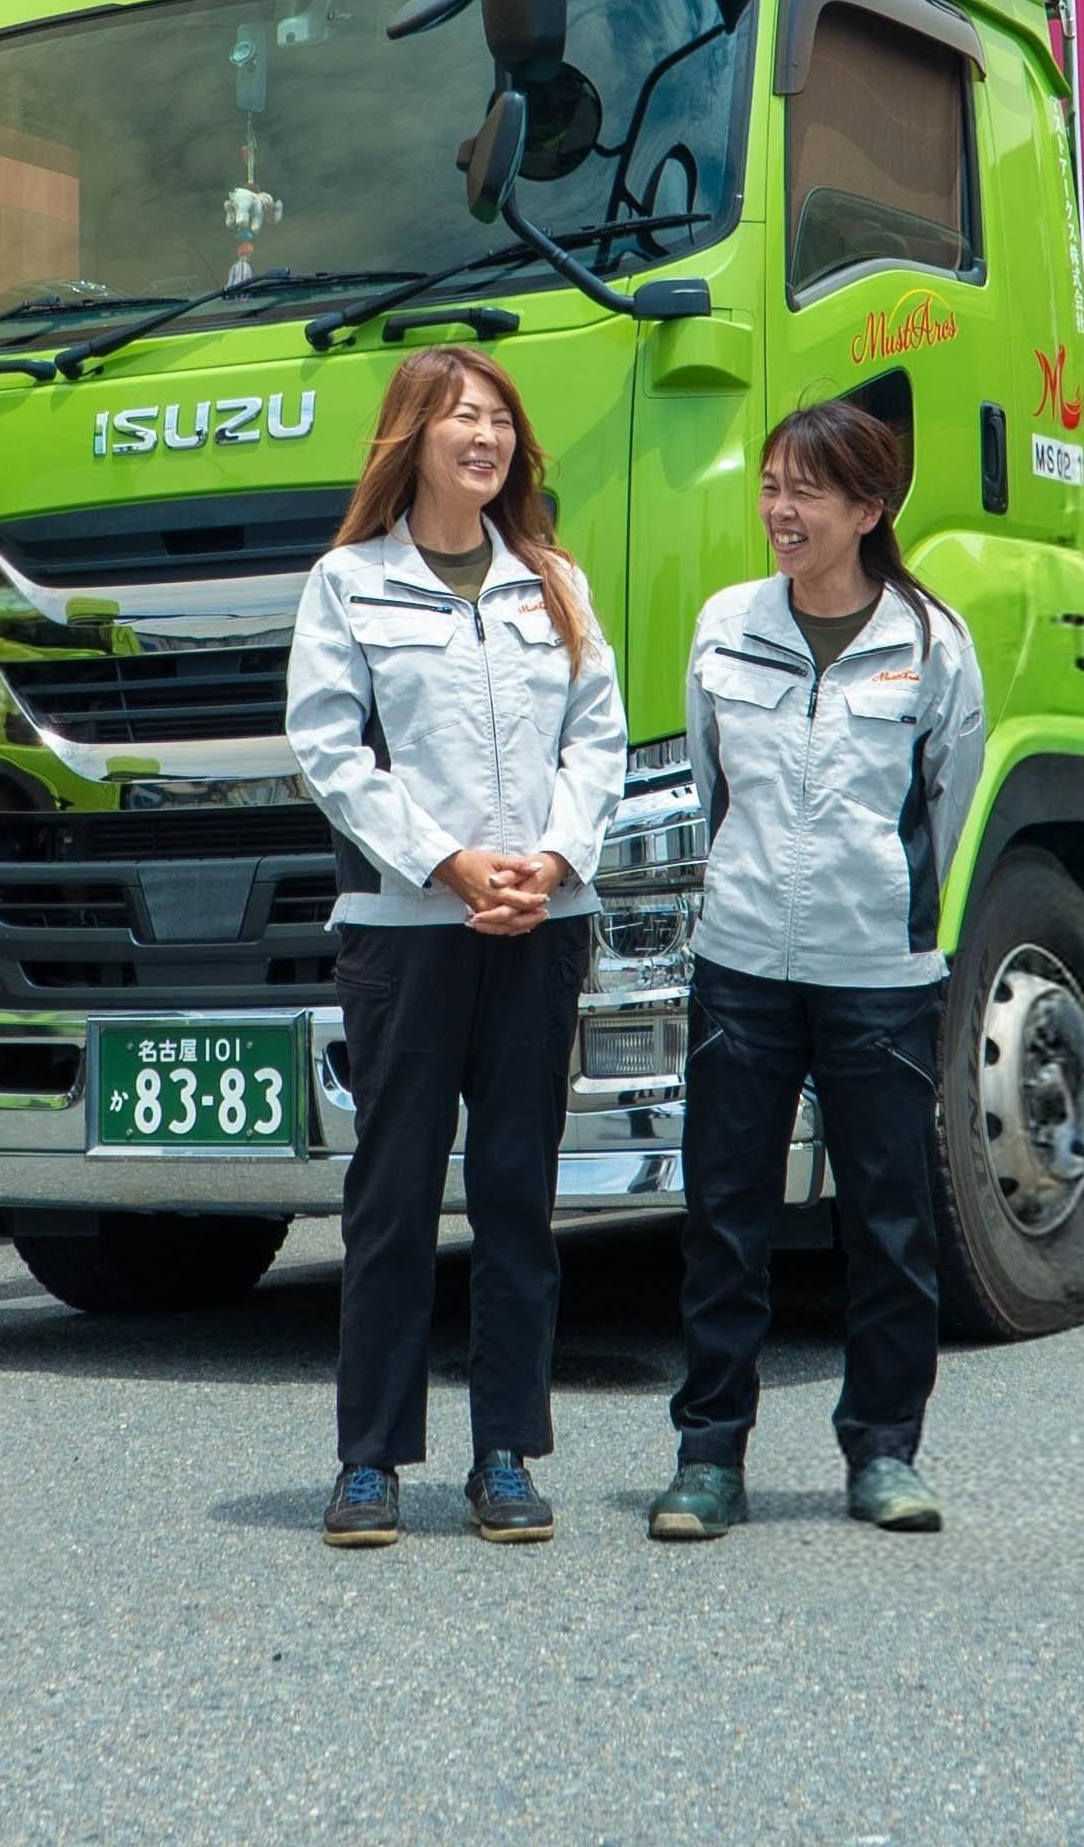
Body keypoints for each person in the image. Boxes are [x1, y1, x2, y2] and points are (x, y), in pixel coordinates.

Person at [284, 344, 625, 1549]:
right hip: (405, 933)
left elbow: (599, 744)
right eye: (458, 418)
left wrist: (554, 860)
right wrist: (446, 863)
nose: (482, 437)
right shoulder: (348, 585)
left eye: (498, 420)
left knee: (520, 1197)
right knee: (391, 1198)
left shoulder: (557, 583)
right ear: (410, 438)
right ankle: (369, 1461)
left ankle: (504, 1457)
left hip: (539, 929)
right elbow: (331, 752)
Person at [648, 397, 984, 1547]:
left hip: (878, 977)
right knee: (726, 1221)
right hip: (741, 963)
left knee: (890, 1223)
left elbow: (949, 799)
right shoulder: (726, 625)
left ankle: (886, 1453)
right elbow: (709, 787)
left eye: (807, 493)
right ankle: (707, 1460)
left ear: (868, 509)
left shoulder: (932, 645)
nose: (780, 513)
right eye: (773, 487)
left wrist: (897, 928)